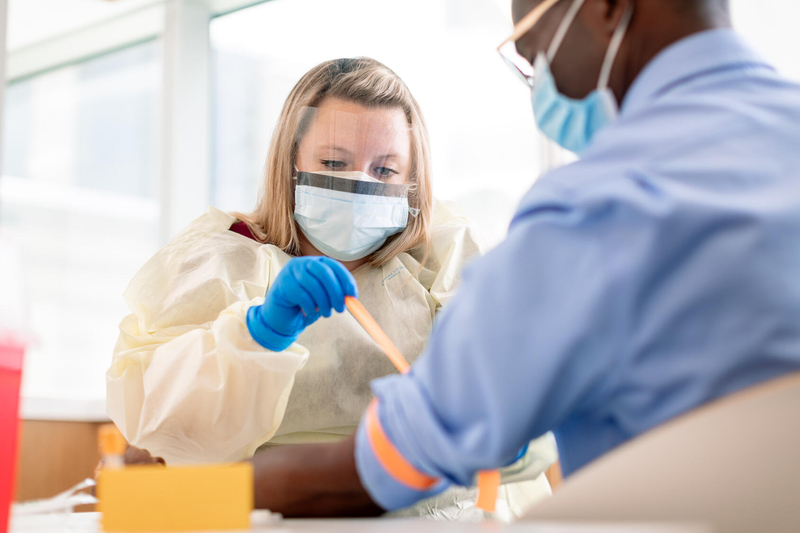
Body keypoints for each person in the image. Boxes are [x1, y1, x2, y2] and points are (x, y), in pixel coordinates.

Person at [240, 0, 800, 517]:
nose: (539, 81)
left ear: (605, 8)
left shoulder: (596, 210)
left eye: (533, 50)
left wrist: (185, 488)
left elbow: (375, 472)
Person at [105, 57, 554, 519]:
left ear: (413, 181)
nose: (359, 185)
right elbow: (155, 422)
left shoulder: (447, 257)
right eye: (334, 162)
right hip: (275, 514)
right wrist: (255, 336)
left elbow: (524, 399)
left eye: (384, 170)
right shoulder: (224, 261)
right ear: (291, 163)